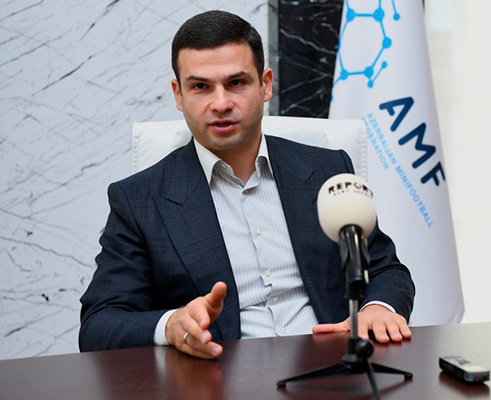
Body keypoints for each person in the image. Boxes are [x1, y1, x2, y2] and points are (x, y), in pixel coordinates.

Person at [79, 10, 415, 360]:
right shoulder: (139, 200)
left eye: (236, 83)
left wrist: (378, 308)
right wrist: (171, 325)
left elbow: (384, 268)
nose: (221, 103)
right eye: (200, 87)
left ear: (265, 84)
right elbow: (99, 324)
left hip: (332, 369)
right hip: (219, 376)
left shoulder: (327, 170)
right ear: (178, 95)